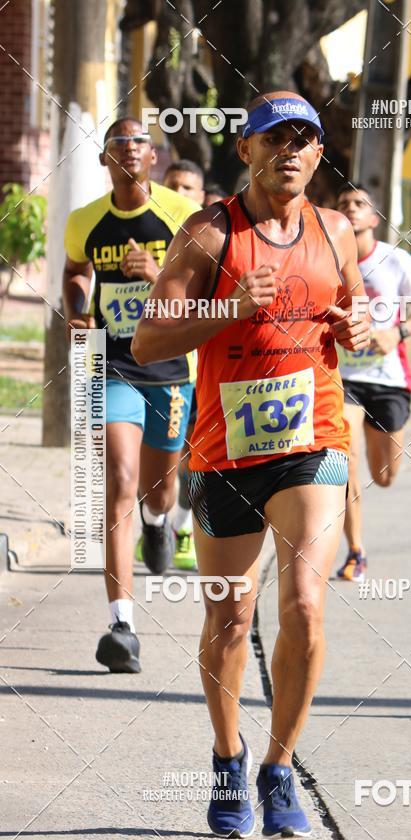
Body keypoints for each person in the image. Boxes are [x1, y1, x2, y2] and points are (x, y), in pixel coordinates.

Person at [132, 91, 369, 838]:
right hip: (225, 452)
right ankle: (229, 757)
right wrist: (230, 309)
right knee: (231, 618)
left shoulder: (337, 233)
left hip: (313, 442)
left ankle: (278, 766)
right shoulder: (208, 234)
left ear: (319, 154)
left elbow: (355, 315)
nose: (290, 151)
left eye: (304, 139)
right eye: (275, 139)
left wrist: (361, 324)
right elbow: (147, 342)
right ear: (247, 151)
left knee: (303, 601)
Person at [63, 118, 200, 673]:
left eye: (139, 145)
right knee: (119, 478)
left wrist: (160, 270)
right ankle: (122, 624)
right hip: (114, 363)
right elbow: (76, 272)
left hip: (170, 368)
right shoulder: (84, 222)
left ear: (153, 159)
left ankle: (158, 521)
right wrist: (77, 309)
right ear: (106, 161)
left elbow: (208, 286)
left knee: (159, 488)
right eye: (118, 146)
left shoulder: (180, 216)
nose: (129, 153)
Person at [335, 184, 411, 582]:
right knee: (346, 462)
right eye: (343, 205)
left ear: (374, 218)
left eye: (359, 204)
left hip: (389, 379)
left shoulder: (396, 260)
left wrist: (399, 332)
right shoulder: (329, 260)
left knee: (384, 475)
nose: (351, 210)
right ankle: (356, 551)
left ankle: (359, 540)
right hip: (344, 376)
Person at [160, 160, 206, 570]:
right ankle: (158, 521)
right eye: (173, 185)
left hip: (200, 370)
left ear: (202, 196)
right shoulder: (146, 235)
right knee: (161, 455)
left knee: (194, 453)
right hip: (152, 368)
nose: (180, 193)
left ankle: (186, 525)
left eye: (188, 188)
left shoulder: (213, 240)